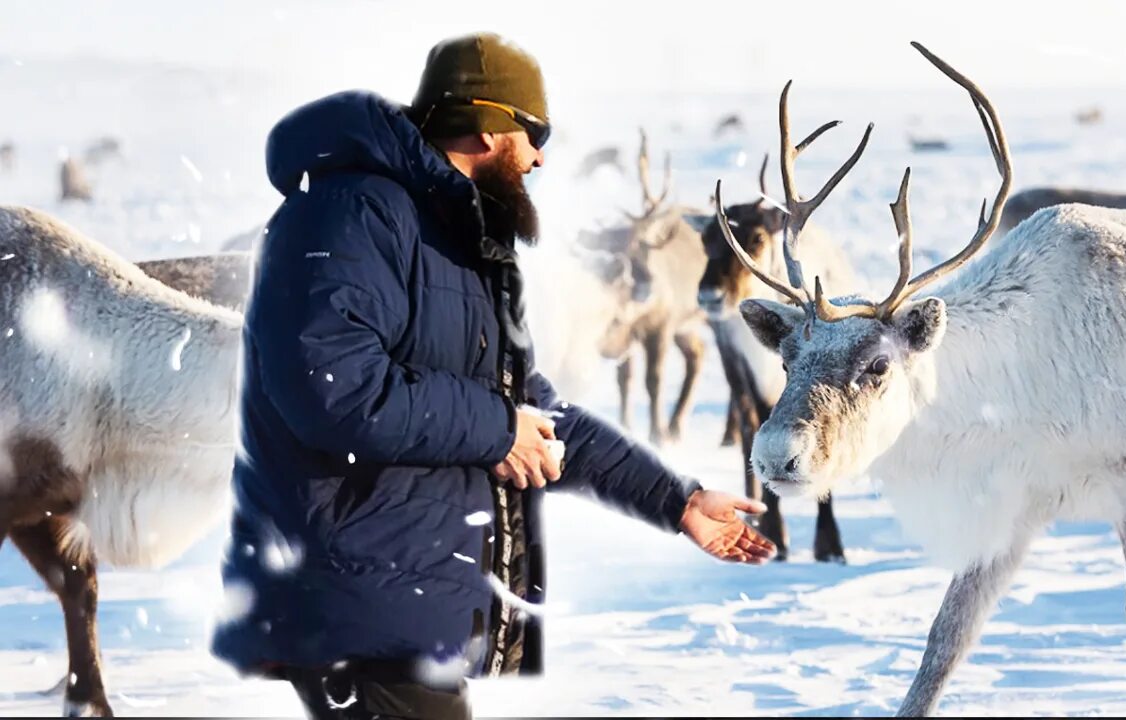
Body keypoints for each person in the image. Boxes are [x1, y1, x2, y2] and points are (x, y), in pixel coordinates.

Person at [211, 31, 775, 720]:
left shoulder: (445, 237)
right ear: (485, 126)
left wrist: (676, 501)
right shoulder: (353, 214)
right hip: (349, 607)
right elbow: (333, 392)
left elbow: (531, 414)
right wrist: (496, 428)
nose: (540, 156)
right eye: (534, 132)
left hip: (395, 609)